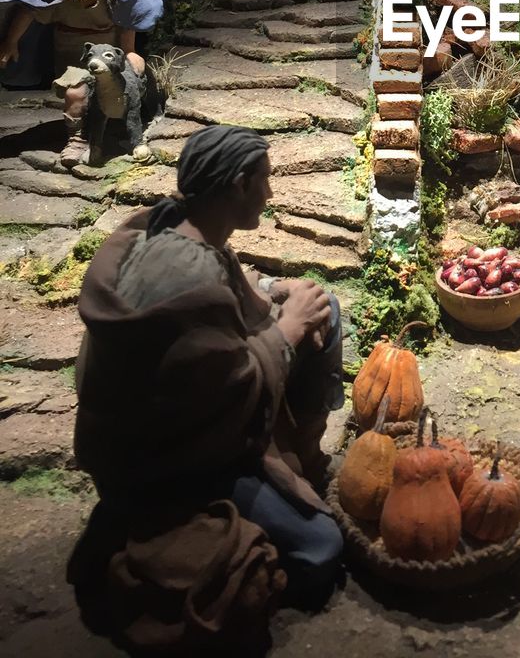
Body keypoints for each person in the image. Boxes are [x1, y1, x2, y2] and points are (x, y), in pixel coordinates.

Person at [69, 125, 345, 643]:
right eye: (265, 180)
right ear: (239, 184)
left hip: (190, 419)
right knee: (321, 550)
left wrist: (276, 289)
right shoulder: (186, 277)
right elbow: (225, 394)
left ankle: (300, 457)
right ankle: (215, 557)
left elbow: (227, 289)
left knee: (324, 308)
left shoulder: (175, 223)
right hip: (174, 460)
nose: (271, 192)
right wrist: (286, 330)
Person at [0, 0, 163, 165]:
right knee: (76, 92)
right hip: (72, 53)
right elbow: (28, 9)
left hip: (110, 54)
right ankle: (77, 139)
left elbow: (128, 16)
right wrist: (11, 42)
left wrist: (129, 50)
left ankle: (129, 130)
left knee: (124, 86)